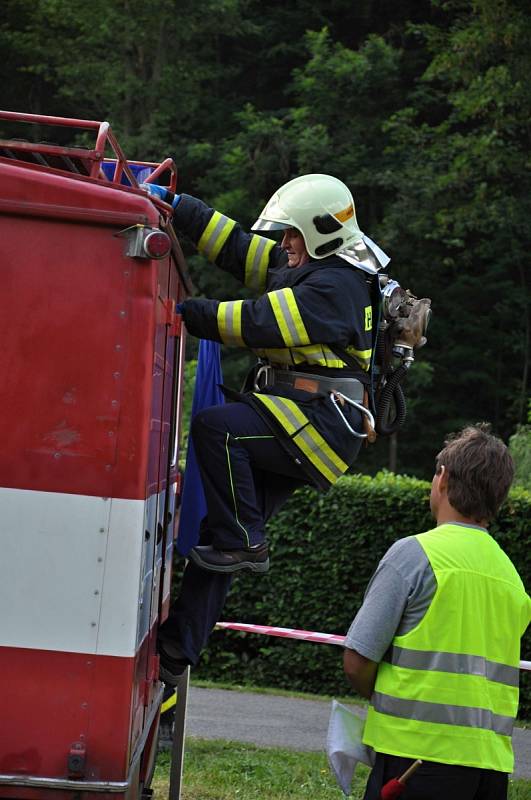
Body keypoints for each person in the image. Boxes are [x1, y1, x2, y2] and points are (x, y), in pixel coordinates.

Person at [142, 174, 388, 683]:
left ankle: (245, 539)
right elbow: (236, 248)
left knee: (218, 430)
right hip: (306, 419)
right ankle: (177, 653)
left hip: (318, 424)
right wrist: (177, 205)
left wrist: (184, 314)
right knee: (221, 537)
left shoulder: (335, 286)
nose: (284, 244)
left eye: (292, 234)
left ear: (320, 232)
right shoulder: (314, 264)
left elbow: (257, 321)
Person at [343, 424, 531, 800]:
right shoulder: (511, 577)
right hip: (488, 767)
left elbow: (356, 661)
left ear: (442, 479)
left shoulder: (411, 555)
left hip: (415, 762)